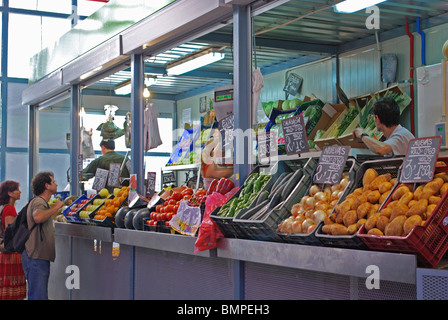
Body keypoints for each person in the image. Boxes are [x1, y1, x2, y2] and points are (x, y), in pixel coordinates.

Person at [21, 171, 65, 300]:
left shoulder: (38, 202)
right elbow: (38, 217)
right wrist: (56, 207)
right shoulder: (39, 202)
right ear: (47, 186)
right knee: (38, 296)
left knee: (36, 294)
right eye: (53, 182)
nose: (56, 184)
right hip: (36, 256)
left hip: (36, 256)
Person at [0, 180, 26, 300]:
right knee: (13, 292)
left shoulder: (4, 208)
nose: (20, 192)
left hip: (5, 253)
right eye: (17, 190)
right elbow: (11, 233)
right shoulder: (9, 209)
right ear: (9, 193)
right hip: (11, 254)